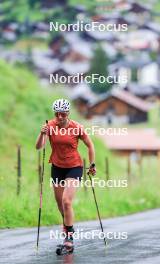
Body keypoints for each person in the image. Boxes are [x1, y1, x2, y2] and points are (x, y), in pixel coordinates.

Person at [35, 98, 96, 253]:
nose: (60, 117)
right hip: (57, 167)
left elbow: (90, 145)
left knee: (66, 201)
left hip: (74, 167)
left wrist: (92, 164)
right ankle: (68, 227)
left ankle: (69, 238)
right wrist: (42, 134)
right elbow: (39, 147)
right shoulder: (50, 126)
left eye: (62, 113)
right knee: (60, 205)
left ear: (68, 113)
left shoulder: (77, 127)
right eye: (57, 114)